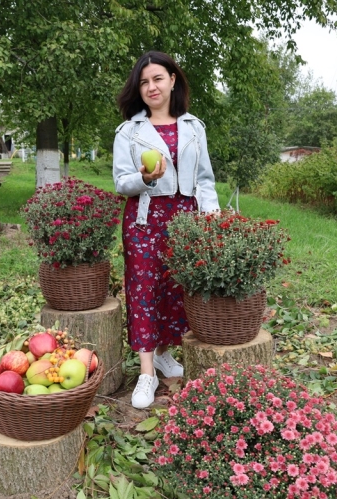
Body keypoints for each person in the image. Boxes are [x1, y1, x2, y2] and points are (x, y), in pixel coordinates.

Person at [112, 51, 220, 409]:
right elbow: (120, 182)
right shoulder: (130, 131)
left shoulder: (193, 127)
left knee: (176, 289)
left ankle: (162, 352)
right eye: (144, 82)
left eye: (158, 78)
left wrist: (212, 219)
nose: (151, 87)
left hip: (185, 217)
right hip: (145, 218)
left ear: (173, 80)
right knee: (143, 289)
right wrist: (144, 178)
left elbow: (204, 180)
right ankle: (147, 372)